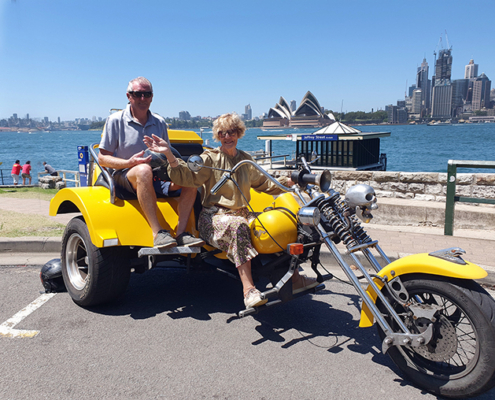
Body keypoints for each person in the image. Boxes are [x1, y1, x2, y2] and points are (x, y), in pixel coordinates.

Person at [144, 112, 318, 309]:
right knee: (238, 227)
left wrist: (290, 183)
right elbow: (186, 178)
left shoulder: (246, 159)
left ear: (239, 133)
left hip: (243, 213)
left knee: (278, 225)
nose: (227, 137)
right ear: (218, 136)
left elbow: (265, 183)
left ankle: (294, 279)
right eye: (223, 133)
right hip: (214, 217)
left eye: (232, 132)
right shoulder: (209, 158)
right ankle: (249, 290)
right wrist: (168, 154)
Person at [98, 76, 204, 249]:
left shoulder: (159, 122)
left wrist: (167, 152)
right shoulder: (115, 120)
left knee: (189, 177)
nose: (143, 99)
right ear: (128, 96)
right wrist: (129, 162)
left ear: (152, 97)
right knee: (143, 170)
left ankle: (181, 233)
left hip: (157, 175)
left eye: (147, 94)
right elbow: (102, 158)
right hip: (125, 174)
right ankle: (158, 233)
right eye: (138, 94)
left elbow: (167, 157)